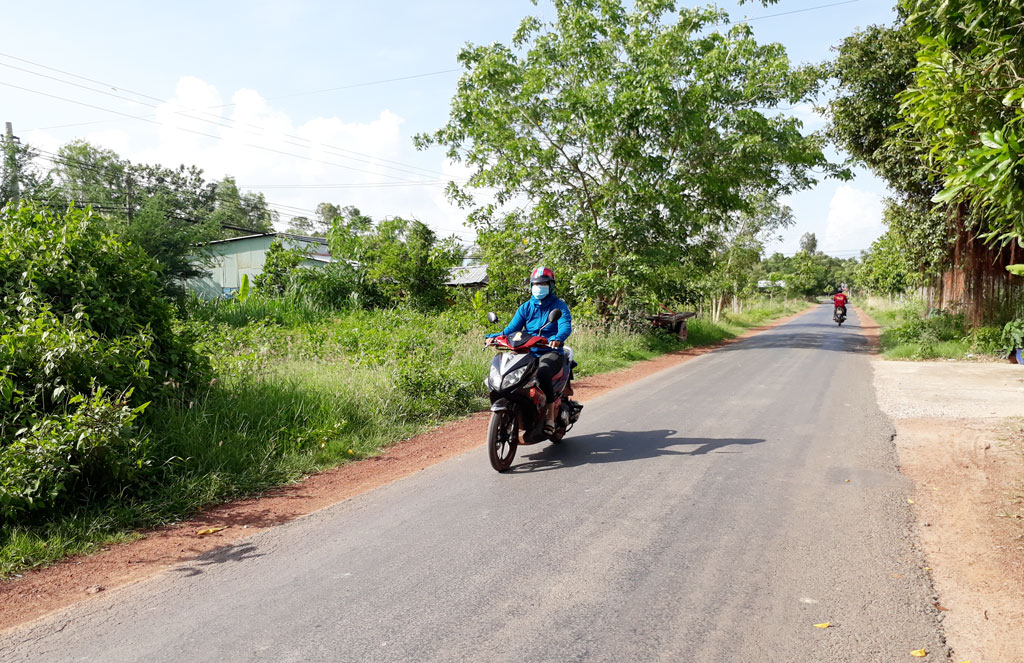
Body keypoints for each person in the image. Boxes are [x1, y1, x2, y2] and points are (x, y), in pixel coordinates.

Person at [488, 266, 572, 434]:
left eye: (543, 284)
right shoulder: (526, 307)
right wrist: (493, 336)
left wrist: (557, 339)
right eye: (535, 284)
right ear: (530, 286)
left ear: (551, 286)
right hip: (527, 350)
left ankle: (548, 413)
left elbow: (565, 326)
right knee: (506, 368)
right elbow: (511, 329)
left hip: (550, 351)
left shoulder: (559, 307)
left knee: (542, 371)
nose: (538, 287)